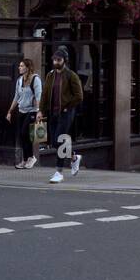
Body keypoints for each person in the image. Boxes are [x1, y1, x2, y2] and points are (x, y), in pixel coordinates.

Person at [37, 47, 83, 183]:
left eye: (59, 60)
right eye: (54, 60)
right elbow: (45, 95)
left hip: (66, 113)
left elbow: (79, 96)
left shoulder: (71, 75)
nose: (56, 62)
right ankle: (74, 157)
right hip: (53, 113)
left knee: (60, 140)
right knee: (54, 142)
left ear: (64, 60)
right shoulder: (50, 75)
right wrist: (41, 111)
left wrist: (66, 107)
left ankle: (59, 172)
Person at [6, 58, 43, 169]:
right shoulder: (19, 80)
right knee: (22, 136)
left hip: (32, 110)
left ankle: (32, 157)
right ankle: (25, 159)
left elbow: (38, 96)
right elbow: (16, 97)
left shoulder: (35, 79)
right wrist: (10, 111)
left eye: (21, 66)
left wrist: (38, 111)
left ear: (27, 67)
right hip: (21, 110)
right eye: (19, 66)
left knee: (24, 133)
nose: (19, 67)